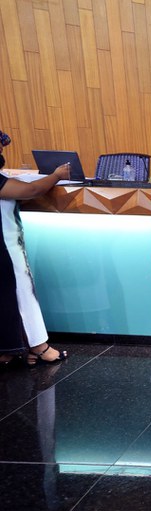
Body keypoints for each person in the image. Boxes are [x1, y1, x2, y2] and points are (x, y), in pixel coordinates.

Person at [1, 148, 71, 369]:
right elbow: (31, 190)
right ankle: (39, 347)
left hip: (8, 245)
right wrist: (57, 175)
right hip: (5, 248)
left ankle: (14, 349)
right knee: (22, 292)